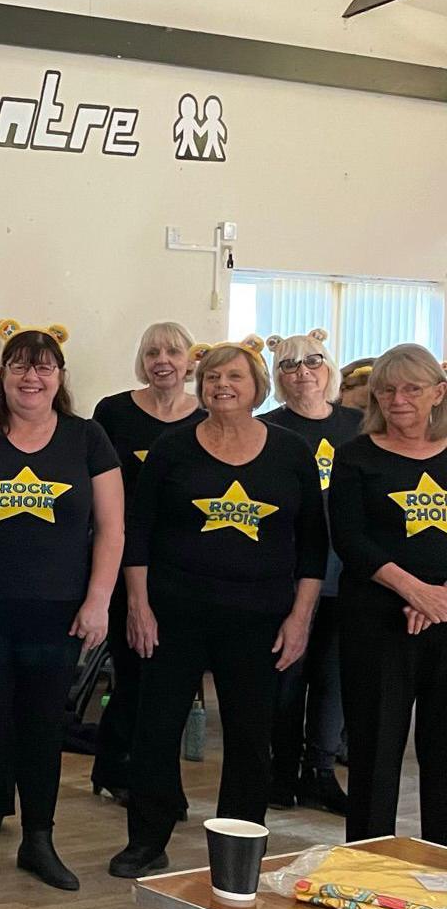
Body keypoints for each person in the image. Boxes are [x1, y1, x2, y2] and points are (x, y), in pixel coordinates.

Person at [112, 337, 324, 878]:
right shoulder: (172, 448)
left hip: (261, 620)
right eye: (211, 377)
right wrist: (138, 604)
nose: (221, 385)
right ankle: (147, 839)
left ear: (258, 387)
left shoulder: (291, 451)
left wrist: (300, 619)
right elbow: (138, 530)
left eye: (234, 377)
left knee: (252, 737)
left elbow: (313, 544)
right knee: (155, 729)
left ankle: (238, 844)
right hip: (173, 612)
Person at [0, 326, 122, 891]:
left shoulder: (87, 439)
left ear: (60, 377)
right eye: (19, 366)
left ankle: (39, 837)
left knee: (44, 726)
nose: (31, 377)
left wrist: (99, 600)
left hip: (58, 611)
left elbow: (113, 528)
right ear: (1, 376)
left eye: (43, 368)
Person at [329, 343, 447, 843]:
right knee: (375, 750)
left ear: (438, 393)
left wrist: (439, 597)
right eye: (388, 389)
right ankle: (367, 862)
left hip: (444, 617)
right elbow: (350, 539)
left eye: (412, 388)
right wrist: (416, 591)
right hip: (375, 621)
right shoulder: (355, 456)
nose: (399, 399)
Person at [87, 322, 203, 803]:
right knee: (133, 668)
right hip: (123, 558)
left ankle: (154, 774)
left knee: (174, 676)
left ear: (190, 360)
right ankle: (117, 766)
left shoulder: (207, 416)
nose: (163, 360)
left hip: (187, 564)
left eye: (173, 351)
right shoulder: (112, 412)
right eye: (152, 351)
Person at [261, 329, 359, 814]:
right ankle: (280, 771)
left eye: (312, 362)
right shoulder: (268, 429)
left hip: (347, 574)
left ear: (329, 368)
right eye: (289, 364)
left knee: (332, 676)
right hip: (286, 575)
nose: (302, 372)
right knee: (286, 674)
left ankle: (320, 770)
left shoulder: (358, 426)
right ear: (278, 376)